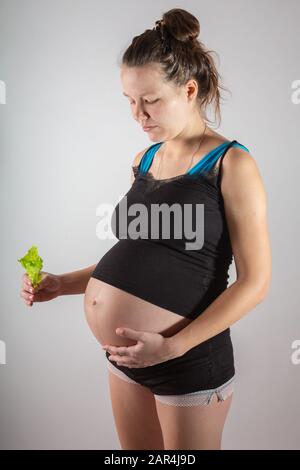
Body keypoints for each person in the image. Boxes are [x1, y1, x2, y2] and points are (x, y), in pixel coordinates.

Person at [20, 8, 272, 450]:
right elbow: (140, 253)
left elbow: (256, 283)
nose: (138, 114)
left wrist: (172, 348)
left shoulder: (233, 164)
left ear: (189, 90)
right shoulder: (145, 160)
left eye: (151, 100)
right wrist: (64, 284)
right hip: (125, 360)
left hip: (187, 358)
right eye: (129, 100)